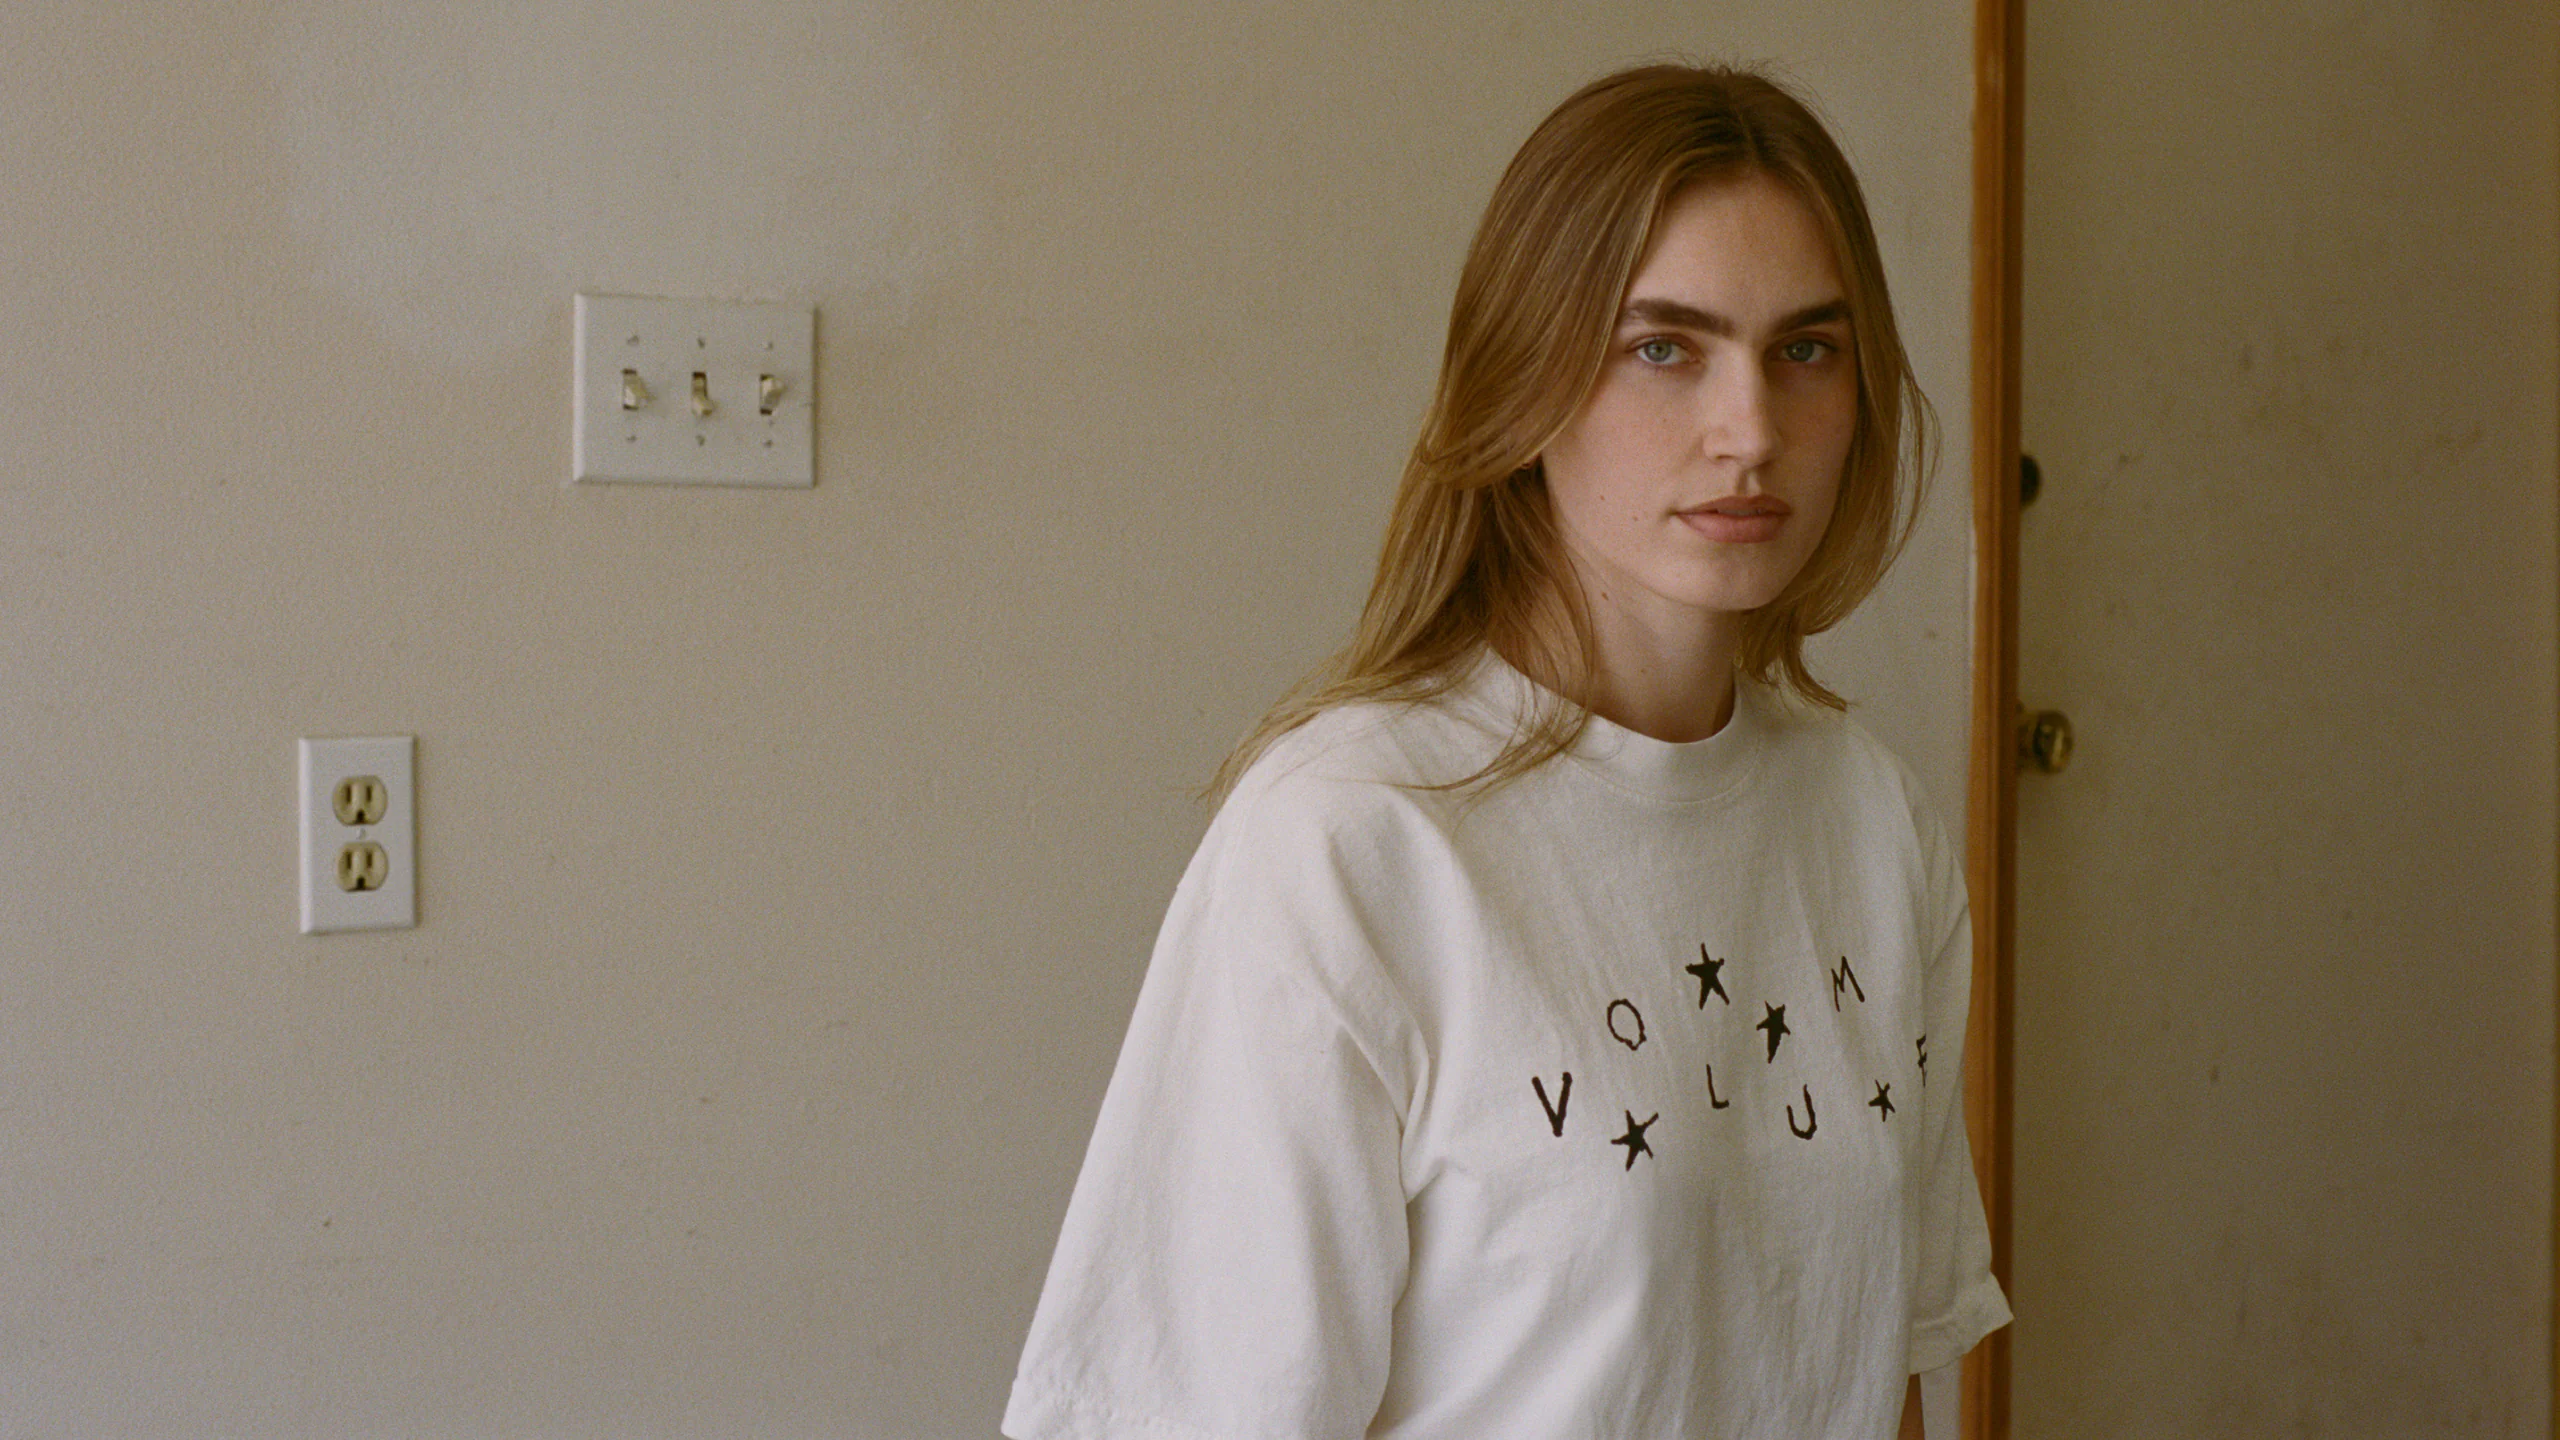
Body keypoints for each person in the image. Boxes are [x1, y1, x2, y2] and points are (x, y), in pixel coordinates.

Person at [1004, 61, 2009, 1440]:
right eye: (1664, 347)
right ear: (1524, 374)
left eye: (1806, 350)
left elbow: (1876, 1359)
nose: (1752, 431)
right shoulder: (1354, 837)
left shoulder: (1870, 822)